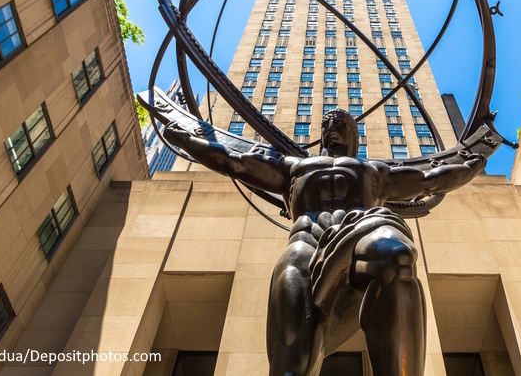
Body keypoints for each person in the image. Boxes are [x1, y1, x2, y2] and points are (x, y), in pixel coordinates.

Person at [164, 108, 485, 376]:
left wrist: (473, 163)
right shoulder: (294, 166)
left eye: (340, 125)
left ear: (354, 135)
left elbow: (431, 180)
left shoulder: (375, 171)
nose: (331, 130)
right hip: (306, 244)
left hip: (361, 231)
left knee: (397, 256)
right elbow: (234, 161)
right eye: (326, 125)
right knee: (293, 361)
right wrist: (188, 139)